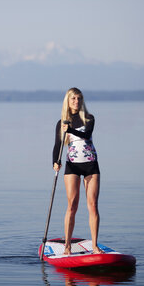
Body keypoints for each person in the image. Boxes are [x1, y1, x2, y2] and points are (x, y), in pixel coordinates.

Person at [52, 87, 103, 255]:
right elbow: (57, 146)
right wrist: (55, 161)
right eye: (73, 98)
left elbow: (86, 135)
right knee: (72, 206)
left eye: (79, 98)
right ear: (68, 101)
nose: (76, 101)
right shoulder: (62, 123)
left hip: (91, 166)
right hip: (72, 166)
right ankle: (67, 246)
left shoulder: (89, 118)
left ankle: (95, 246)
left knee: (93, 206)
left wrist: (70, 130)